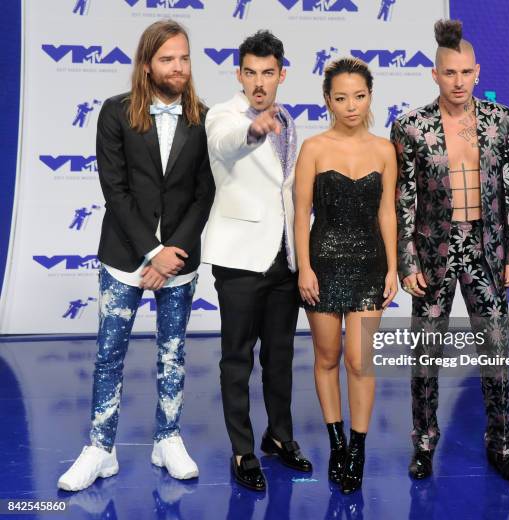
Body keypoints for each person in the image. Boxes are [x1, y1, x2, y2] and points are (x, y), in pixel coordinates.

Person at [57, 20, 215, 491]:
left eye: (184, 58)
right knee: (109, 355)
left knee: (173, 354)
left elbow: (203, 195)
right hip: (125, 257)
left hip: (180, 262)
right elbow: (116, 191)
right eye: (168, 59)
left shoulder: (203, 118)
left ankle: (167, 439)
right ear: (147, 64)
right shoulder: (115, 112)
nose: (179, 67)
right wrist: (152, 252)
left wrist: (174, 255)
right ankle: (100, 449)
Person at [391, 19, 509, 484]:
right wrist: (407, 262)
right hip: (433, 252)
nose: (459, 81)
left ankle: (502, 445)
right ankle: (424, 444)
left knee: (496, 350)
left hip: (486, 251)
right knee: (425, 352)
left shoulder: (502, 122)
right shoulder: (411, 127)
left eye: (466, 72)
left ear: (478, 72)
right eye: (449, 73)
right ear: (435, 74)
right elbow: (403, 200)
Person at [203, 30, 312, 493]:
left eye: (268, 72)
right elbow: (228, 143)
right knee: (237, 360)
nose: (259, 82)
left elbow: (287, 190)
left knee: (281, 358)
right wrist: (253, 129)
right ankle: (243, 449)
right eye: (251, 72)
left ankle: (279, 436)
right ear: (239, 74)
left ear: (281, 74)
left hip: (284, 258)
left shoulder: (288, 118)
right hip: (240, 259)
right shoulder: (223, 117)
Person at [294, 57, 398, 494]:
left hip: (370, 265)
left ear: (370, 97)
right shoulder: (313, 148)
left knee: (360, 360)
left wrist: (394, 267)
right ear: (328, 100)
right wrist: (305, 267)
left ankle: (358, 447)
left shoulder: (384, 149)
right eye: (341, 98)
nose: (351, 106)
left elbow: (387, 211)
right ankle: (336, 442)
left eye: (359, 96)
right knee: (327, 358)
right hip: (323, 263)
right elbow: (300, 216)